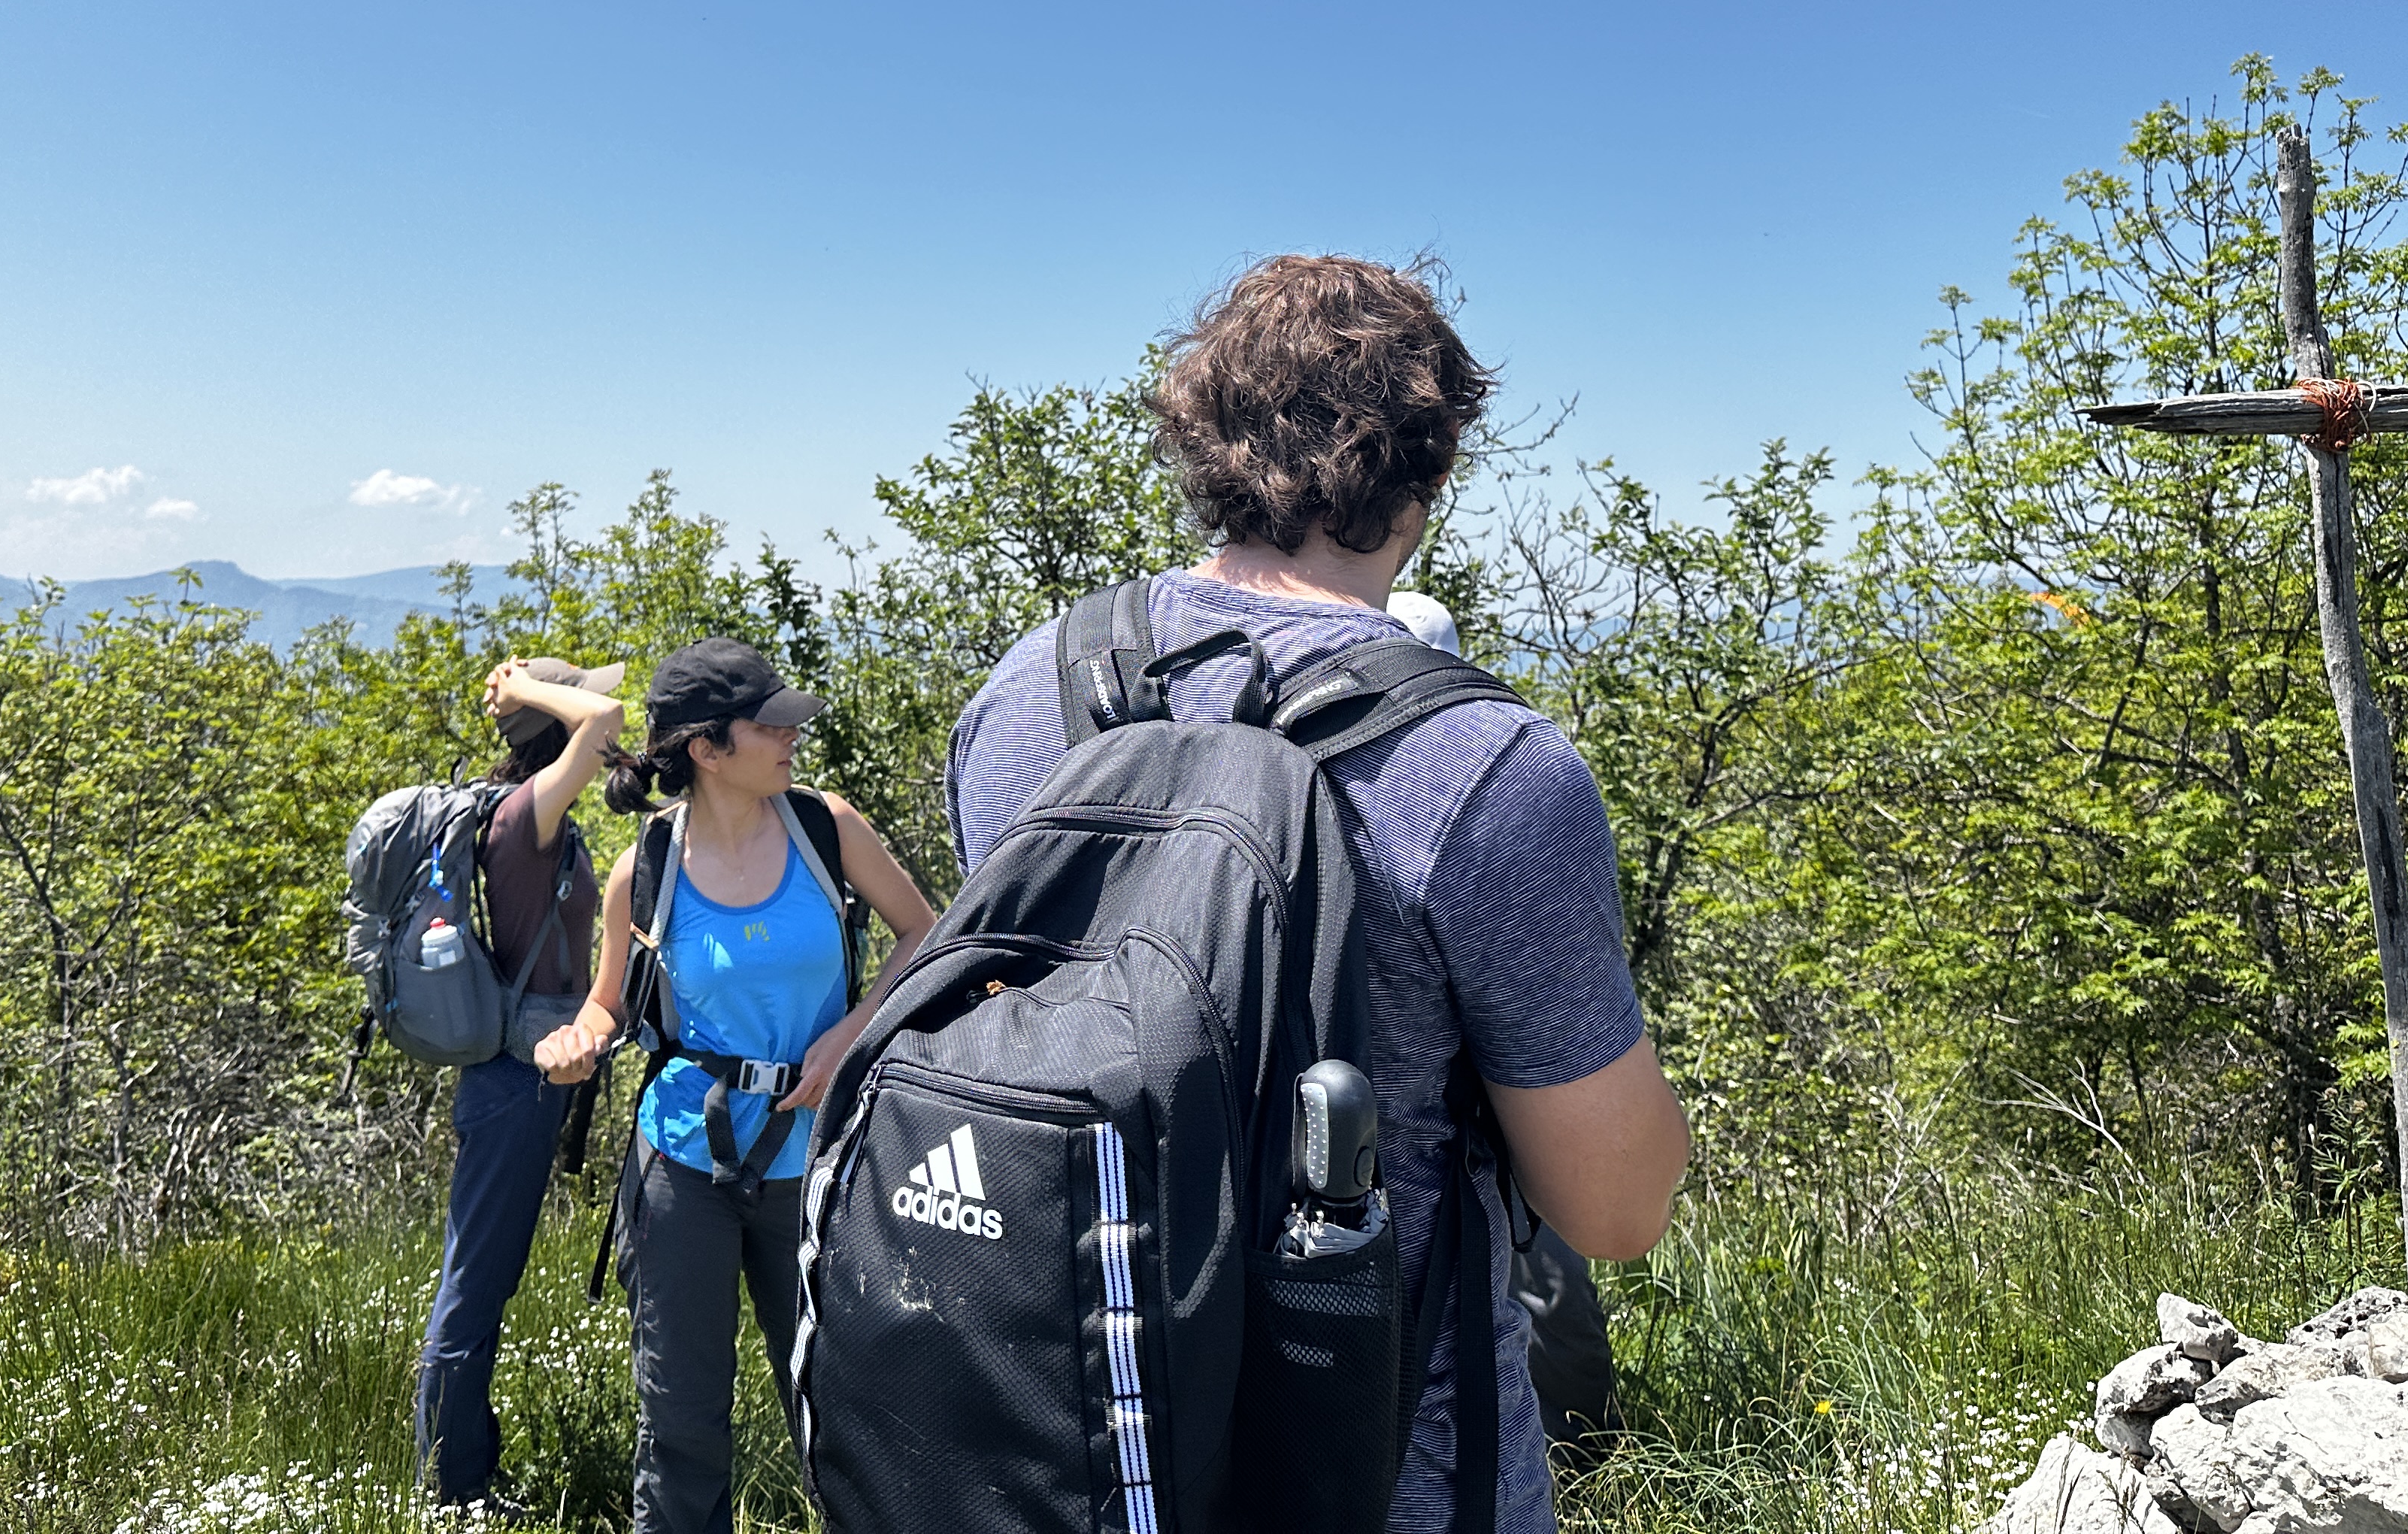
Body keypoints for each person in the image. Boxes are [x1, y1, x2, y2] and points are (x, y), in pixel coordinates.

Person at [946, 254, 1689, 1534]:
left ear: (1202, 443)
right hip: (1391, 1475)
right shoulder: (1485, 762)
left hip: (1068, 1444)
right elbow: (1615, 1210)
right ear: (1432, 469)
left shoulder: (1027, 692)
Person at [534, 638, 937, 1534]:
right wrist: (576, 1040)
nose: (793, 737)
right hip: (682, 1165)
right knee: (681, 1418)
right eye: (771, 725)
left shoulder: (826, 828)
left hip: (819, 1159)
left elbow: (924, 935)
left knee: (842, 1401)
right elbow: (607, 1003)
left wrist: (850, 1036)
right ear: (708, 750)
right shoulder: (646, 868)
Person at [1386, 590, 1624, 1450]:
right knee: (1548, 1288)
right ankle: (1585, 1458)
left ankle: (1580, 1458)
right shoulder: (1494, 778)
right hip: (1505, 1097)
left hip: (1438, 1113)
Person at [416, 654, 632, 1507]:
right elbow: (606, 721)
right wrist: (524, 692)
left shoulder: (537, 816)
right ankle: (453, 1489)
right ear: (555, 727)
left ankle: (464, 1472)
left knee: (486, 1275)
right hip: (512, 1083)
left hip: (524, 1080)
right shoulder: (523, 817)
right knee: (477, 1282)